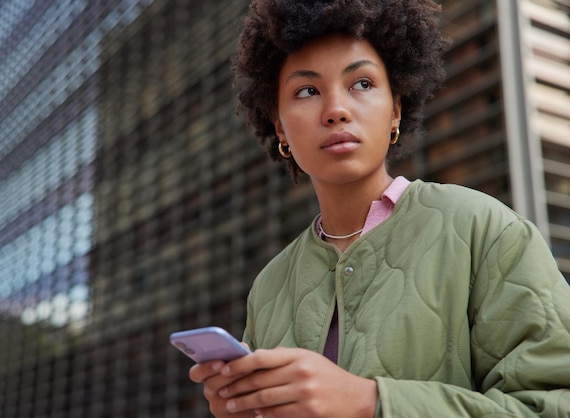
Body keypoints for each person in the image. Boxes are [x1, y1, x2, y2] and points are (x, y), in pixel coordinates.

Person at [189, 0, 570, 417]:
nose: (336, 110)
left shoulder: (486, 231)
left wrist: (370, 403)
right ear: (280, 125)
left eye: (362, 84)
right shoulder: (268, 287)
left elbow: (550, 405)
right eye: (307, 91)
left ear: (396, 110)